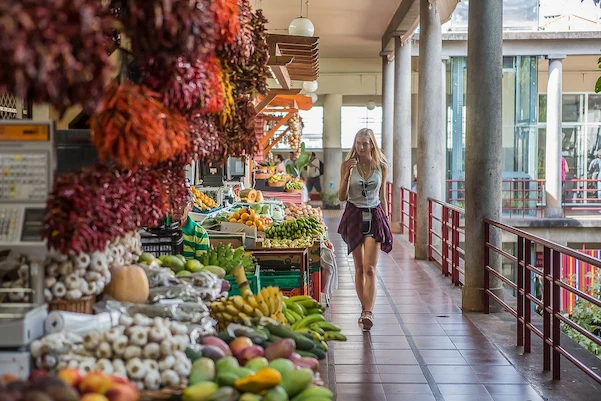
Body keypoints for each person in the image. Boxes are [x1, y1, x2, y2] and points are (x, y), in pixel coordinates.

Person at [337, 128, 393, 331]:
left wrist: (386, 219)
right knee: (359, 268)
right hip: (354, 214)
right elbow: (341, 197)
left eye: (364, 144)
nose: (360, 147)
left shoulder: (381, 166)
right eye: (357, 143)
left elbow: (384, 195)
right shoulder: (347, 165)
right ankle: (364, 307)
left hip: (374, 215)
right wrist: (347, 174)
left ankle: (368, 312)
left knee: (370, 268)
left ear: (372, 144)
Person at [167, 194, 210, 261]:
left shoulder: (200, 234)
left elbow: (201, 265)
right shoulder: (158, 228)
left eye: (183, 203)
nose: (178, 208)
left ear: (191, 206)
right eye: (173, 203)